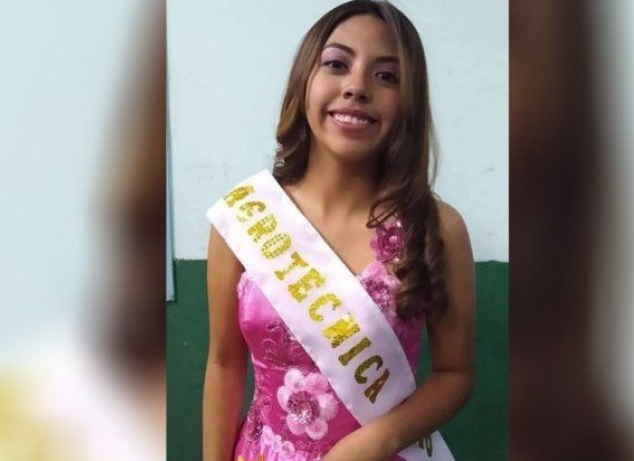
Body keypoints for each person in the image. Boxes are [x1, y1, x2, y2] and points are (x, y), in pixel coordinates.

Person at [202, 1, 476, 460]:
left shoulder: (437, 228)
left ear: (409, 102)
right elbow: (224, 362)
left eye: (386, 76)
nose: (356, 87)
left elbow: (455, 374)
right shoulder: (245, 216)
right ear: (304, 81)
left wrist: (378, 440)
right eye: (336, 64)